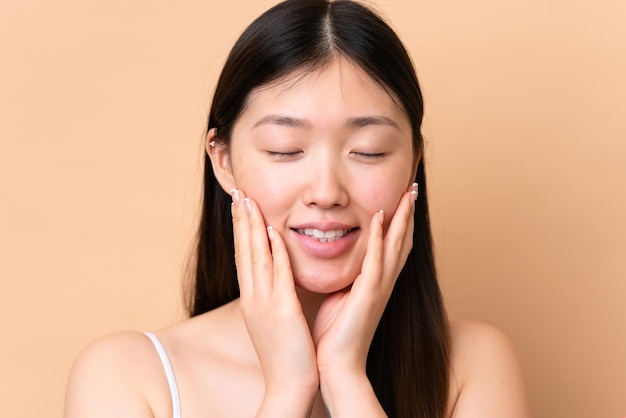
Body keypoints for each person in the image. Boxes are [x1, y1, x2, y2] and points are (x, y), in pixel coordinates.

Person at [64, 1, 531, 417]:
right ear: (223, 162)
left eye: (368, 151)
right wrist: (288, 389)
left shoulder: (475, 365)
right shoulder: (127, 377)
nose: (326, 192)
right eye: (286, 149)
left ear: (414, 161)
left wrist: (345, 378)